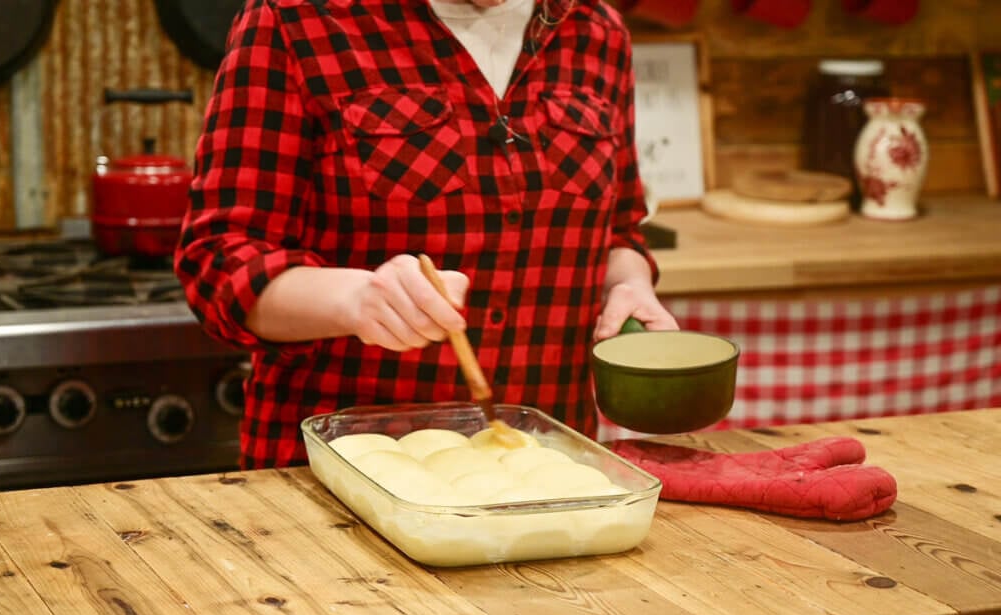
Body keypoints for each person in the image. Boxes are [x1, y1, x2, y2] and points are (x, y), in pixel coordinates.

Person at [175, 0, 679, 469]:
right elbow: (219, 261)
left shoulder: (596, 31)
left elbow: (617, 230)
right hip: (342, 473)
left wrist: (627, 287)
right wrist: (355, 299)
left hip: (544, 470)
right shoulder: (298, 20)